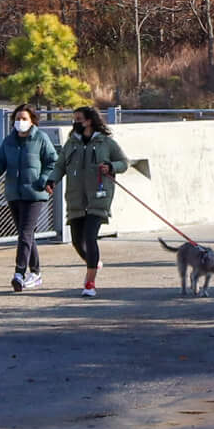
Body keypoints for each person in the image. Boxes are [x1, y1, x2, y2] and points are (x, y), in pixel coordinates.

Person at [50, 105, 129, 296]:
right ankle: (93, 262)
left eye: (79, 119)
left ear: (90, 120)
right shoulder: (71, 144)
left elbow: (124, 163)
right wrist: (52, 180)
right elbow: (60, 165)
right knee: (77, 240)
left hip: (98, 198)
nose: (76, 123)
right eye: (74, 119)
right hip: (76, 199)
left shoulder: (106, 143)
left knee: (90, 237)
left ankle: (89, 283)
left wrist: (110, 167)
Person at [0, 103, 58, 291]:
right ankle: (36, 272)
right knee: (26, 235)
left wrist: (44, 180)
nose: (20, 122)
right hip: (14, 193)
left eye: (24, 119)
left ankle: (19, 273)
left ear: (32, 121)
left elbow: (53, 161)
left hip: (34, 193)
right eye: (17, 119)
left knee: (25, 233)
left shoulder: (41, 138)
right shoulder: (9, 141)